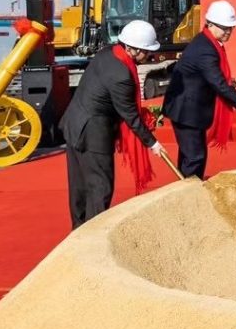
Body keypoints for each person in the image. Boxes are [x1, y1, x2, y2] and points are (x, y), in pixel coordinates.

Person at [59, 19, 168, 229]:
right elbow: (130, 115)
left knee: (79, 185)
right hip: (93, 133)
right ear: (133, 49)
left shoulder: (108, 53)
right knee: (100, 186)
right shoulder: (121, 75)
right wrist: (152, 143)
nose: (149, 56)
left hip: (75, 124)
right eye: (146, 51)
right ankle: (93, 234)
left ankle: (78, 230)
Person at [164, 0, 236, 180]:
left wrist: (232, 83)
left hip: (191, 109)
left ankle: (187, 187)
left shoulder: (208, 42)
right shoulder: (206, 49)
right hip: (187, 111)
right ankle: (190, 192)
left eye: (231, 28)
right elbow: (218, 83)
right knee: (195, 157)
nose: (228, 32)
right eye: (225, 28)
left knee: (191, 156)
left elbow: (214, 77)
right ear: (210, 24)